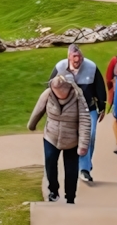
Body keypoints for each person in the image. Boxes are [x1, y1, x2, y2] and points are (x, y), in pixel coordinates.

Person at [28, 74, 90, 204]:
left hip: (71, 139)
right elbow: (38, 109)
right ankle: (53, 191)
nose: (56, 95)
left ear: (67, 89)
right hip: (51, 135)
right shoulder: (48, 94)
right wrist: (31, 125)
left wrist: (83, 144)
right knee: (50, 162)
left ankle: (70, 196)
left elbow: (85, 120)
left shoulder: (78, 97)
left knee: (71, 168)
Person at [51, 46, 106, 185]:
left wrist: (102, 106)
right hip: (69, 110)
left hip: (89, 108)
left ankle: (85, 167)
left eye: (79, 57)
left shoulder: (91, 67)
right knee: (77, 138)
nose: (77, 60)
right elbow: (50, 88)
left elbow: (99, 86)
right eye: (74, 57)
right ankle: (80, 168)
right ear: (69, 57)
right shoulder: (60, 68)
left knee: (90, 136)